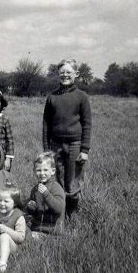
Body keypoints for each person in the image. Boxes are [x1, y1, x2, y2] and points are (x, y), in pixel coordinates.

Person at [42, 59, 92, 216]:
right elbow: (46, 124)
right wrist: (46, 149)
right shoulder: (52, 97)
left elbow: (87, 124)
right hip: (55, 145)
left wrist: (84, 149)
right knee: (56, 179)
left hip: (74, 145)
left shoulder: (82, 97)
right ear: (58, 74)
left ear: (76, 74)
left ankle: (72, 215)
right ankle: (58, 214)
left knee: (72, 181)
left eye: (68, 72)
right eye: (62, 72)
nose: (65, 75)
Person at [26, 151, 65, 236]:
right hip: (38, 225)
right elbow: (33, 211)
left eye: (45, 170)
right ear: (34, 171)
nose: (42, 173)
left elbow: (59, 209)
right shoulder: (35, 189)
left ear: (53, 171)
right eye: (39, 170)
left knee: (25, 236)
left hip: (51, 229)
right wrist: (31, 207)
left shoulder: (56, 188)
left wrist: (47, 194)